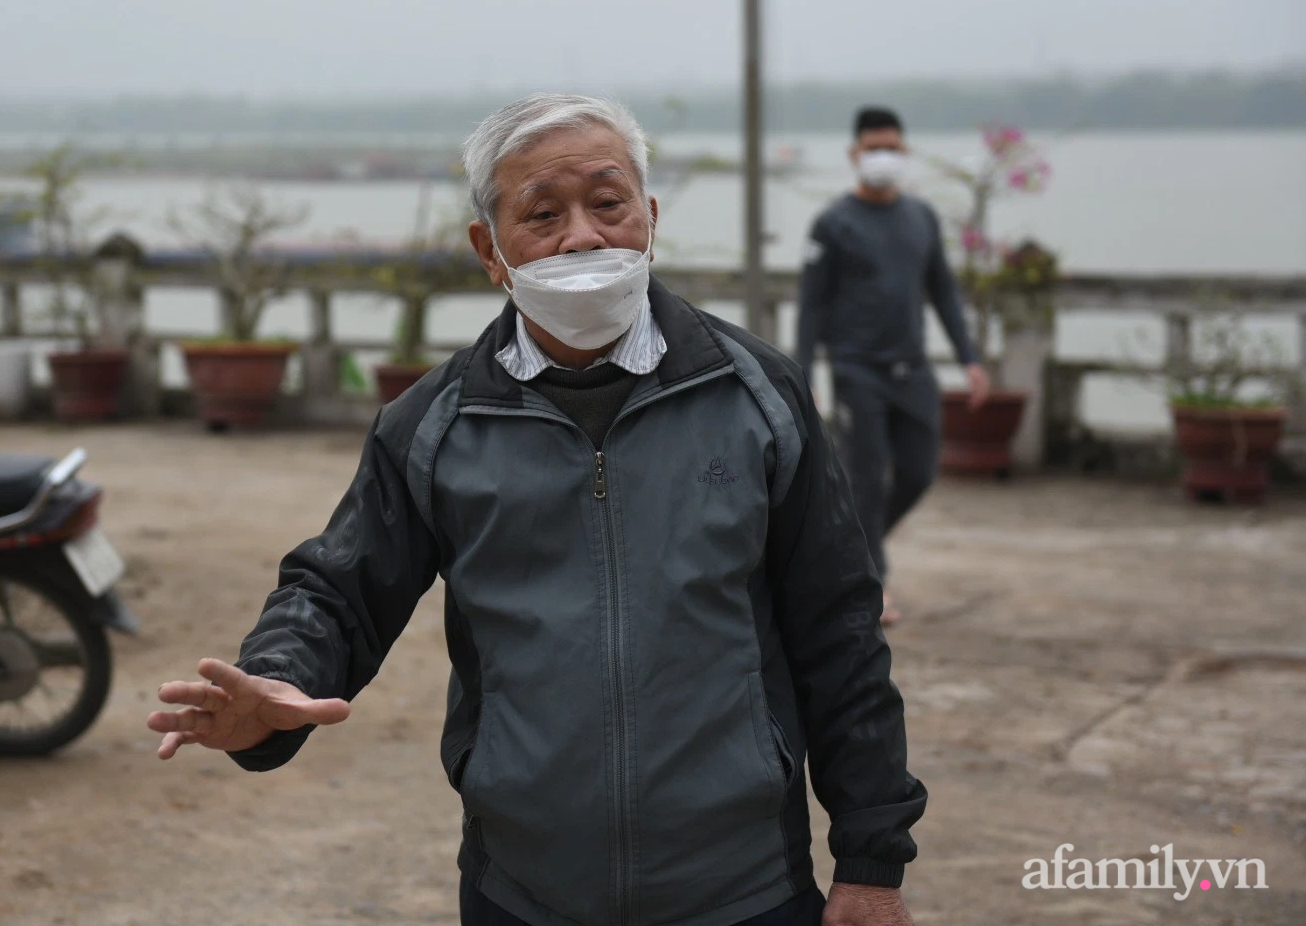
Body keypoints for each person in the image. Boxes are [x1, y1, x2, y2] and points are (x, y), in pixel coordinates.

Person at [150, 95, 926, 926]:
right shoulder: (435, 423)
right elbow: (338, 589)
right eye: (543, 214)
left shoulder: (755, 395)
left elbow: (838, 627)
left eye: (608, 202)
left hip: (744, 887)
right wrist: (276, 680)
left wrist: (871, 857)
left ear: (649, 218)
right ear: (491, 250)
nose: (584, 236)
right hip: (521, 892)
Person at [796, 107, 989, 626]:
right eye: (873, 148)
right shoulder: (834, 223)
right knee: (865, 477)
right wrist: (804, 375)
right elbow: (811, 305)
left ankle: (849, 551)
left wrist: (970, 358)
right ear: (855, 155)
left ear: (905, 154)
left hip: (913, 368)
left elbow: (943, 291)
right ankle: (870, 586)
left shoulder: (920, 217)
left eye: (893, 149)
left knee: (920, 472)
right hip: (857, 369)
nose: (884, 157)